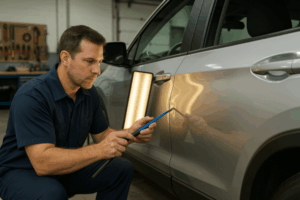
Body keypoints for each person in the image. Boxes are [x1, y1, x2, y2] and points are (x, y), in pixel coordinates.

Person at [0, 25, 157, 200]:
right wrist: (99, 150)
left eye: (99, 61)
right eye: (90, 61)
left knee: (121, 169)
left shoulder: (90, 94)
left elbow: (102, 134)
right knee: (51, 193)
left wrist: (129, 133)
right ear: (66, 58)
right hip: (22, 171)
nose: (97, 70)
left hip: (64, 166)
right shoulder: (33, 96)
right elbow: (42, 163)